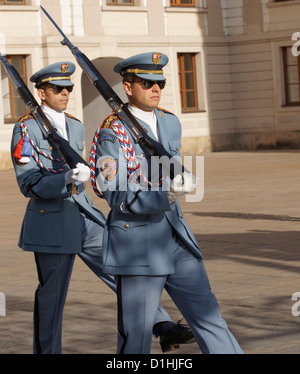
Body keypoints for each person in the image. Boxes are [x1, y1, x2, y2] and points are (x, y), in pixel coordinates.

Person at [10, 61, 194, 354]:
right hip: (51, 222)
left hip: (84, 215)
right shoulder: (26, 128)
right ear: (41, 93)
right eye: (57, 88)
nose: (65, 93)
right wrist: (64, 178)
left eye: (68, 88)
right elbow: (28, 183)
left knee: (124, 272)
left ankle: (161, 325)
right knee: (51, 297)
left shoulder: (75, 124)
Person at [92, 52, 244, 354]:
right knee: (135, 336)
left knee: (209, 318)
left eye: (159, 82)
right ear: (127, 87)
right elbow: (116, 195)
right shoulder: (113, 131)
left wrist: (181, 180)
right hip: (137, 243)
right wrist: (167, 194)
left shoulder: (170, 123)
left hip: (176, 237)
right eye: (147, 83)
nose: (156, 89)